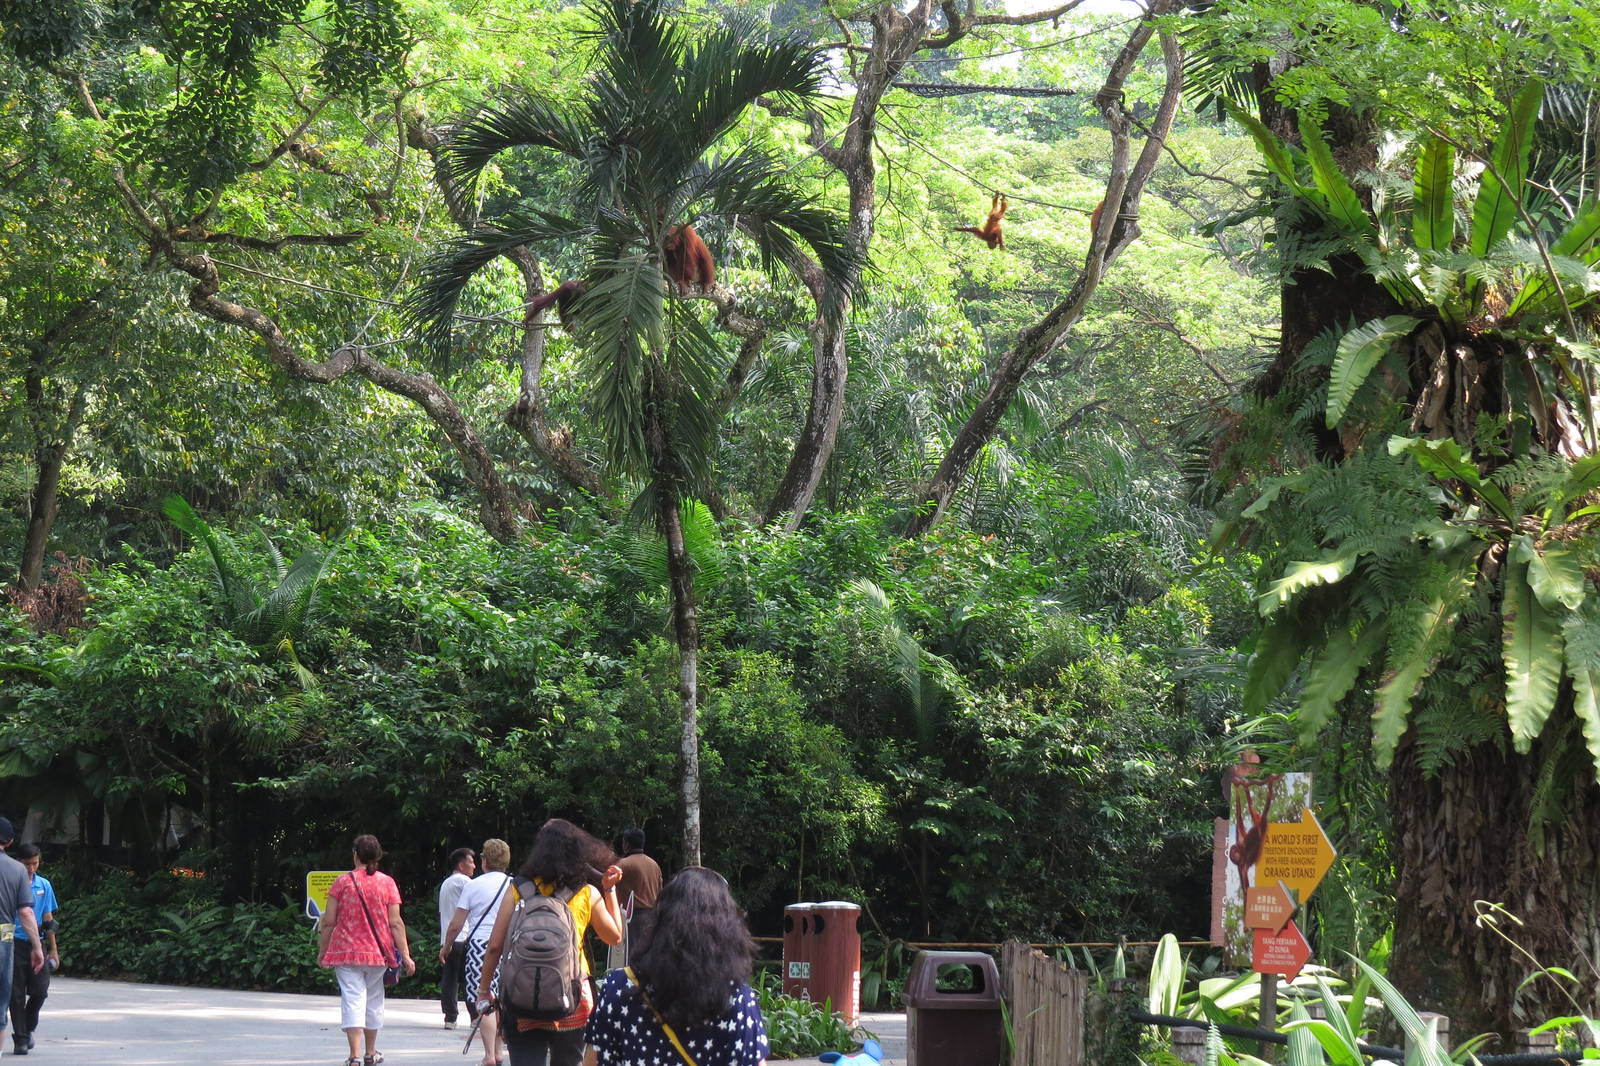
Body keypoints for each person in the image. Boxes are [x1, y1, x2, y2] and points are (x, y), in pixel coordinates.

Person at [584, 866, 769, 1066]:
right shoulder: (737, 997)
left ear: (660, 919)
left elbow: (594, 1061)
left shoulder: (619, 987)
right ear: (727, 927)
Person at [475, 819, 623, 1066]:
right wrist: (609, 890)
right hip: (572, 997)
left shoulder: (519, 888)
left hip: (522, 995)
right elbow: (615, 936)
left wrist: (483, 991)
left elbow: (495, 946)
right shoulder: (586, 892)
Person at [316, 834, 416, 1066]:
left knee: (353, 999)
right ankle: (370, 1053)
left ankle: (354, 1056)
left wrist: (323, 951)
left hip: (346, 952)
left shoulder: (342, 882)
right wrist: (407, 955)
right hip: (378, 953)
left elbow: (328, 921)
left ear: (355, 854)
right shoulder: (387, 883)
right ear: (378, 856)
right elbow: (395, 923)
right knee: (374, 1000)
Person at [442, 838, 512, 1066]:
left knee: (485, 1000)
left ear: (484, 861)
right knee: (503, 1000)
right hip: (510, 947)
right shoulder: (515, 885)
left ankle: (489, 1056)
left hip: (480, 946)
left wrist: (447, 946)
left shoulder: (473, 885)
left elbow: (456, 924)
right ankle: (500, 1052)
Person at [7, 845, 56, 1056]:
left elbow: (48, 919)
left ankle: (27, 1029)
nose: (31, 868)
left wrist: (53, 949)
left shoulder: (44, 885)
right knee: (15, 994)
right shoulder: (10, 883)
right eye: (27, 864)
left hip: (38, 943)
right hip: (12, 942)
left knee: (40, 991)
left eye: (35, 863)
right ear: (18, 862)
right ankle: (20, 1039)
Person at [0, 820, 43, 1059]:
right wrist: (37, 947)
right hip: (3, 937)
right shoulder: (17, 870)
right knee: (1, 1000)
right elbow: (26, 912)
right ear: (10, 842)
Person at [606, 828, 661, 970]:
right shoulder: (654, 864)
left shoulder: (625, 864)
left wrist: (586, 869)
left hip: (633, 919)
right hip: (653, 917)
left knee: (630, 960)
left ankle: (630, 988)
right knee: (647, 958)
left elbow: (605, 880)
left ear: (626, 844)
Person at [438, 847, 477, 1030]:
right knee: (469, 978)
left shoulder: (446, 883)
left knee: (450, 978)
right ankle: (475, 1016)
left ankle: (450, 1017)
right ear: (461, 865)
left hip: (449, 937)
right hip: (463, 935)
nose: (474, 866)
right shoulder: (465, 882)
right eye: (471, 862)